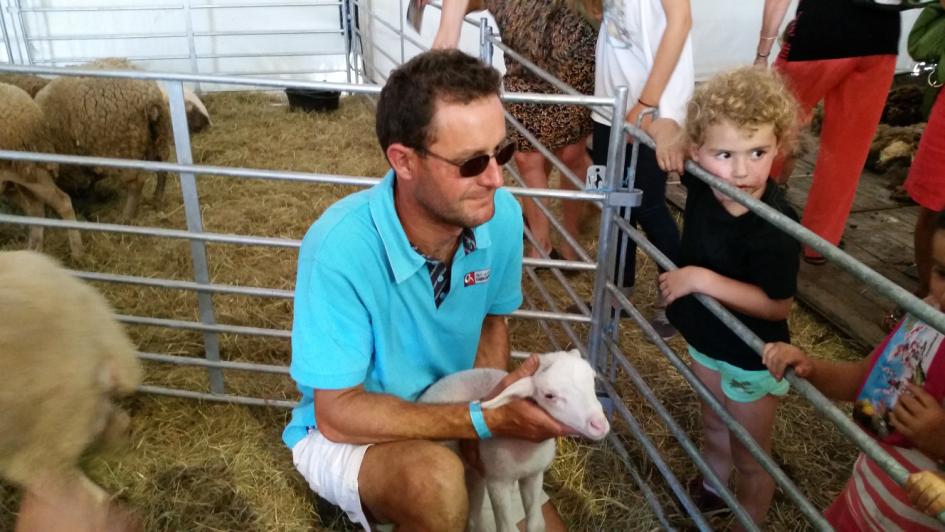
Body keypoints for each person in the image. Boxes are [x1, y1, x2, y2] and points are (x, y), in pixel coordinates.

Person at [283, 50, 572, 531]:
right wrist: (479, 422)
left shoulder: (498, 218)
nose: (497, 177)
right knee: (434, 484)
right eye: (471, 162)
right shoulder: (340, 246)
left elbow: (490, 322)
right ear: (404, 161)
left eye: (501, 152)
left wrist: (493, 403)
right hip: (350, 435)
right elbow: (338, 413)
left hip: (455, 409)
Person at [659, 67, 801, 528]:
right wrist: (669, 132)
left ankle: (748, 518)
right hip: (707, 340)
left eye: (758, 152)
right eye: (725, 153)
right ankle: (714, 485)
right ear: (698, 153)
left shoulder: (775, 226)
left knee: (750, 454)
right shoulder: (705, 181)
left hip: (751, 357)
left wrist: (700, 279)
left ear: (778, 147)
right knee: (715, 423)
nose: (741, 171)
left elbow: (778, 305)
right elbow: (659, 131)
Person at [764, 212, 945, 531]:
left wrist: (939, 439)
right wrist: (810, 367)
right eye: (942, 272)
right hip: (862, 503)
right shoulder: (927, 315)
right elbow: (866, 378)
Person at [431, 0, 599, 263]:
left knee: (571, 155)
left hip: (572, 62)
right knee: (525, 156)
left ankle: (571, 238)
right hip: (523, 63)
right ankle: (540, 245)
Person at [757, 0, 899, 265]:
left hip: (822, 30)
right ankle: (820, 243)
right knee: (848, 150)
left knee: (771, 128)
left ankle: (749, 216)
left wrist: (763, 52)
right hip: (881, 36)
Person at [591, 0, 693, 338]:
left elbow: (680, 22)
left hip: (649, 110)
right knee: (617, 202)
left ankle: (679, 300)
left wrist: (648, 104)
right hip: (612, 105)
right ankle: (620, 293)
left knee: (648, 206)